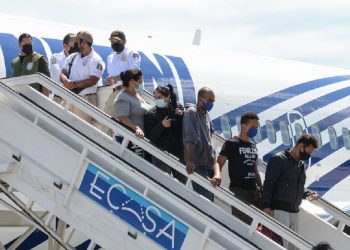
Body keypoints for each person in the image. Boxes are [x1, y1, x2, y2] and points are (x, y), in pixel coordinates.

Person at [262, 134, 319, 250]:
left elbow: (297, 187)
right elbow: (269, 183)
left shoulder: (300, 165)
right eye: (309, 152)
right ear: (301, 146)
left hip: (294, 211)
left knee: (292, 247)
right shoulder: (279, 159)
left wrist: (308, 194)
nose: (309, 155)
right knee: (279, 244)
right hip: (279, 210)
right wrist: (266, 206)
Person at [216, 112, 263, 224]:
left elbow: (254, 169)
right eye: (253, 127)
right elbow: (218, 162)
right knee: (242, 224)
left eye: (257, 127)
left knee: (255, 226)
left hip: (254, 191)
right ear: (243, 126)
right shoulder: (232, 143)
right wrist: (217, 175)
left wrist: (261, 186)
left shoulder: (253, 146)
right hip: (240, 191)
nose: (255, 130)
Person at [183, 87, 221, 201]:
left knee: (209, 202)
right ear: (200, 98)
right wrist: (190, 161)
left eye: (213, 101)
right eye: (209, 100)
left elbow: (210, 145)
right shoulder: (192, 112)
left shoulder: (206, 115)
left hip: (208, 167)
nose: (211, 103)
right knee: (205, 203)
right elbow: (190, 139)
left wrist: (216, 172)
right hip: (197, 166)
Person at [60, 31, 105, 123]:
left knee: (80, 130)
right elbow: (62, 73)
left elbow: (93, 80)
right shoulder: (72, 56)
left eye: (77, 40)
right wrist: (66, 81)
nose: (74, 43)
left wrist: (73, 85)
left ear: (84, 42)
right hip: (68, 97)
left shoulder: (96, 60)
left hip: (85, 100)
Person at [144, 84, 186, 183]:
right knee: (162, 183)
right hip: (160, 155)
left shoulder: (178, 108)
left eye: (160, 97)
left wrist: (181, 116)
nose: (157, 99)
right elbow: (149, 137)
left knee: (182, 184)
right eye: (155, 97)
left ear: (168, 97)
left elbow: (184, 129)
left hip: (178, 154)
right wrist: (161, 126)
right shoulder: (151, 114)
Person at [102, 30, 141, 135]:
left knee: (125, 123)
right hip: (115, 91)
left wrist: (115, 78)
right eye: (112, 40)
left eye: (117, 40)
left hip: (127, 90)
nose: (114, 43)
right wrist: (111, 78)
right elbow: (113, 74)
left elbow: (134, 72)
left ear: (124, 41)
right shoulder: (110, 57)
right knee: (106, 120)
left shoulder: (131, 53)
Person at [113, 69, 150, 156]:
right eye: (140, 81)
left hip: (138, 139)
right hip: (129, 139)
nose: (142, 84)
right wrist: (137, 128)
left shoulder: (137, 95)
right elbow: (122, 118)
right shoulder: (122, 97)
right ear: (132, 82)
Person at [49, 33, 79, 104]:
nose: (77, 46)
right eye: (75, 44)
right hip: (60, 98)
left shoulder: (80, 58)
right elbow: (57, 77)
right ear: (65, 46)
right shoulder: (56, 58)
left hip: (76, 98)